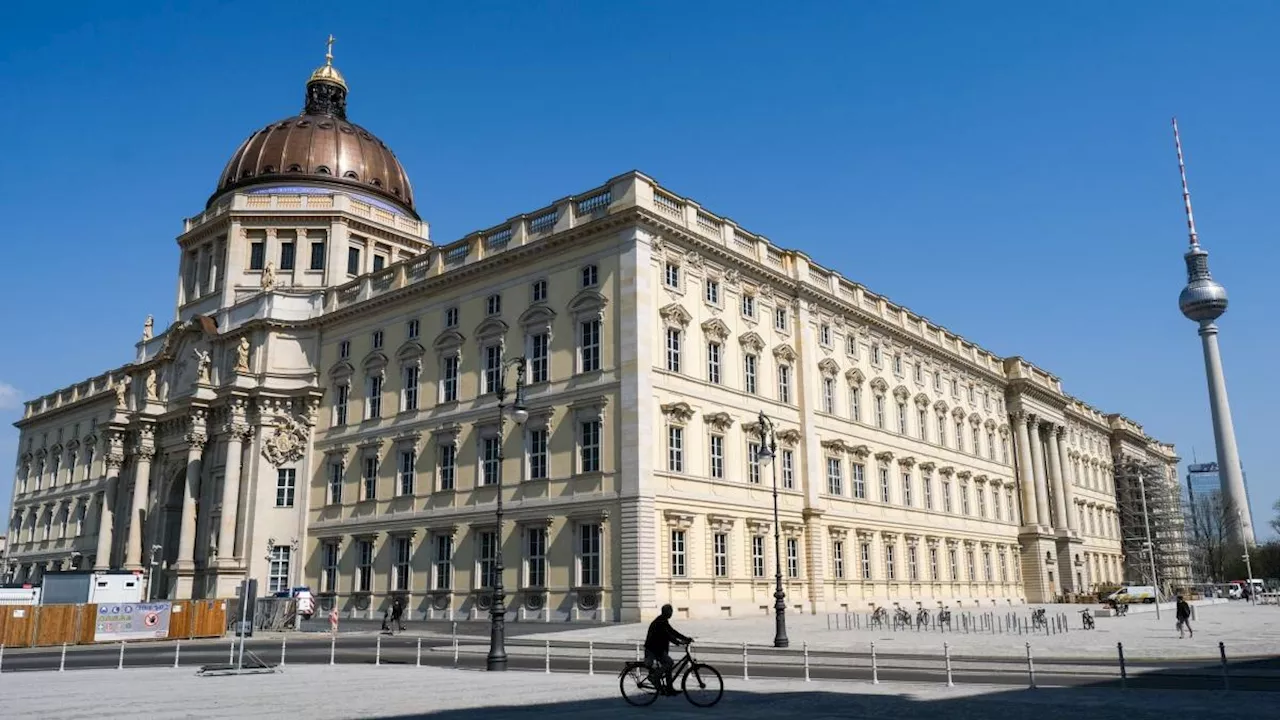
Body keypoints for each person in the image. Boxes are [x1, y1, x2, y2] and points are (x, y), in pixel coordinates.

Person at [644, 604, 692, 695]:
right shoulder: (660, 622)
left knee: (668, 667)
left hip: (658, 649)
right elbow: (667, 635)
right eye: (670, 611)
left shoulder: (663, 620)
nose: (671, 613)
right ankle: (654, 676)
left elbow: (672, 631)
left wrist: (685, 638)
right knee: (669, 663)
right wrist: (678, 642)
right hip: (654, 649)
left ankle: (669, 689)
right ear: (666, 612)